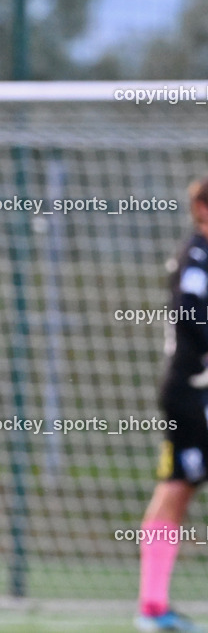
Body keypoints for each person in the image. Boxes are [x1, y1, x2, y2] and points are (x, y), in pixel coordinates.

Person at [135, 177, 208, 633]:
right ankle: (152, 606)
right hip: (190, 394)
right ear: (201, 208)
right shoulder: (195, 257)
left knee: (176, 490)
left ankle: (152, 605)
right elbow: (190, 314)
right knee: (175, 489)